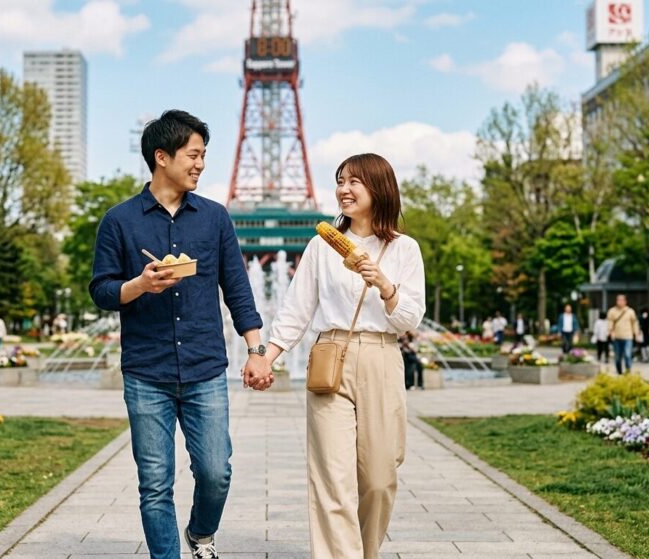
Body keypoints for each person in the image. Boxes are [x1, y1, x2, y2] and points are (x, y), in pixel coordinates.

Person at [89, 110, 268, 559]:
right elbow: (102, 290)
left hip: (205, 367)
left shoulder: (215, 218)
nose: (200, 164)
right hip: (146, 372)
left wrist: (256, 350)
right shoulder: (119, 220)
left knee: (215, 472)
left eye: (204, 155)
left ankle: (201, 533)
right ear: (161, 157)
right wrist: (139, 285)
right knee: (155, 484)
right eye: (193, 154)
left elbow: (238, 290)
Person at [264, 153, 425, 559]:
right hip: (330, 356)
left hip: (382, 358)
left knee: (379, 479)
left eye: (354, 181)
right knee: (333, 480)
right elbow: (296, 308)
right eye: (339, 180)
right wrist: (267, 356)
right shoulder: (321, 246)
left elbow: (409, 320)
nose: (343, 189)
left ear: (379, 188)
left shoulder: (405, 249)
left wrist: (384, 284)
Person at [607, 294, 640, 374]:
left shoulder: (630, 311)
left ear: (625, 301)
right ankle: (619, 372)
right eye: (618, 300)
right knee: (617, 357)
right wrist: (611, 332)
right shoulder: (612, 311)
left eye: (622, 300)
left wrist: (636, 334)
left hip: (628, 336)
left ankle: (628, 371)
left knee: (627, 354)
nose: (620, 302)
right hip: (617, 337)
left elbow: (634, 323)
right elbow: (609, 323)